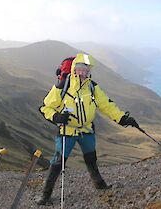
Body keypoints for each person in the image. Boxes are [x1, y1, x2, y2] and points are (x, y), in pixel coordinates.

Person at [37, 53, 139, 205]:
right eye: (79, 69)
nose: (83, 72)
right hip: (67, 131)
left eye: (86, 69)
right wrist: (56, 117)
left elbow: (106, 105)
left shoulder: (92, 87)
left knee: (91, 157)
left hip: (86, 130)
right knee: (58, 163)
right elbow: (45, 107)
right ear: (73, 69)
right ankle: (45, 195)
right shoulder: (61, 87)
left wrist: (121, 118)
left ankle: (98, 183)